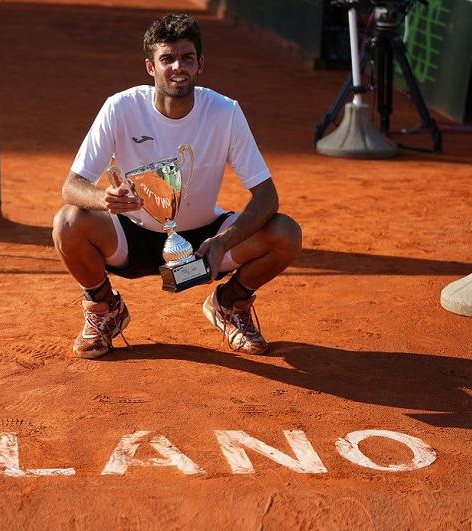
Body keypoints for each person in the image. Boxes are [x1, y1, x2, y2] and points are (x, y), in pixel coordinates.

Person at [52, 13, 302, 359]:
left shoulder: (225, 111)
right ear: (150, 67)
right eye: (167, 58)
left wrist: (222, 242)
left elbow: (267, 195)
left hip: (203, 243)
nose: (177, 67)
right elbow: (72, 187)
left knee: (285, 233)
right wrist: (104, 198)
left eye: (187, 57)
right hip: (131, 236)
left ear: (201, 64)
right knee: (67, 222)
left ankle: (230, 303)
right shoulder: (120, 107)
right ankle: (105, 308)